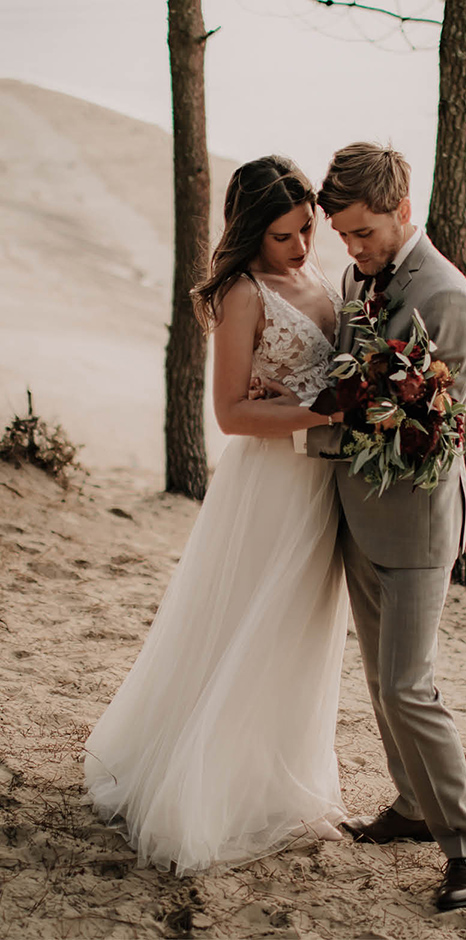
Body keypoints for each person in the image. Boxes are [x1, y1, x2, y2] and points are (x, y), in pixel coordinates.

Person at [84, 156, 350, 874]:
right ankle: (212, 790)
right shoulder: (242, 293)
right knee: (250, 625)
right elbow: (231, 414)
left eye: (306, 231)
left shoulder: (321, 277)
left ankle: (274, 784)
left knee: (301, 632)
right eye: (284, 237)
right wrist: (320, 413)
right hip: (271, 485)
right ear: (250, 234)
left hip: (321, 488)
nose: (300, 248)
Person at [302, 143, 466, 911]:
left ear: (401, 212)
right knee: (382, 686)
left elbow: (430, 427)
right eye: (343, 236)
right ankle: (411, 807)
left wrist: (317, 421)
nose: (351, 249)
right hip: (357, 516)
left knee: (412, 689)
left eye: (363, 233)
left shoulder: (444, 295)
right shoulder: (356, 278)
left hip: (414, 525)